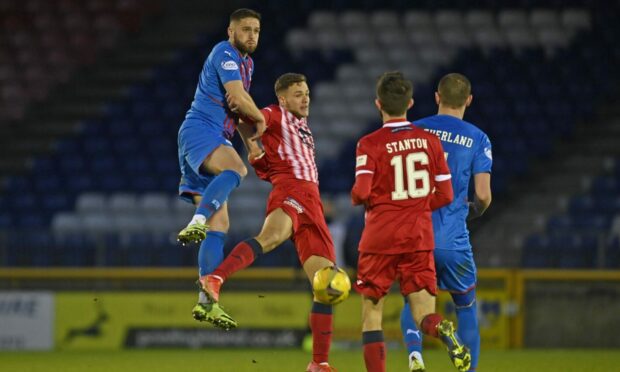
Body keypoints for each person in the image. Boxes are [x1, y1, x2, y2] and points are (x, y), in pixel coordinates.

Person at [199, 73, 339, 372]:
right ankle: (215, 278)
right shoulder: (274, 115)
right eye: (298, 94)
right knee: (271, 237)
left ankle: (319, 363)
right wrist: (239, 111)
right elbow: (247, 115)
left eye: (307, 93)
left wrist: (254, 150)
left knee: (325, 284)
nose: (305, 98)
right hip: (292, 190)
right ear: (283, 99)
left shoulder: (301, 127)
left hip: (312, 201)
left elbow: (265, 160)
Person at [351, 71, 471, 372]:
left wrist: (366, 198)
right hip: (418, 236)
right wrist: (414, 206)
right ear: (411, 103)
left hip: (379, 237)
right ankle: (443, 329)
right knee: (423, 314)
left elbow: (361, 192)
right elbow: (445, 193)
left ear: (378, 104)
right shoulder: (429, 142)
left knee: (372, 314)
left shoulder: (369, 144)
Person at [175, 9, 266, 320]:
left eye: (256, 30)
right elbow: (239, 99)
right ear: (231, 31)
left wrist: (251, 143)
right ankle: (197, 220)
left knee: (221, 225)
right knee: (236, 170)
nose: (252, 35)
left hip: (210, 136)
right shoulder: (224, 52)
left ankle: (206, 300)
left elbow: (237, 109)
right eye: (245, 29)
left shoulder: (247, 64)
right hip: (201, 129)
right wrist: (263, 118)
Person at [399, 73, 492, 372]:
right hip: (453, 239)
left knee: (413, 302)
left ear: (437, 97)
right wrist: (471, 211)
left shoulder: (413, 130)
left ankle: (416, 356)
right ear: (468, 100)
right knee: (466, 308)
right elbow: (483, 194)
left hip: (416, 236)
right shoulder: (478, 138)